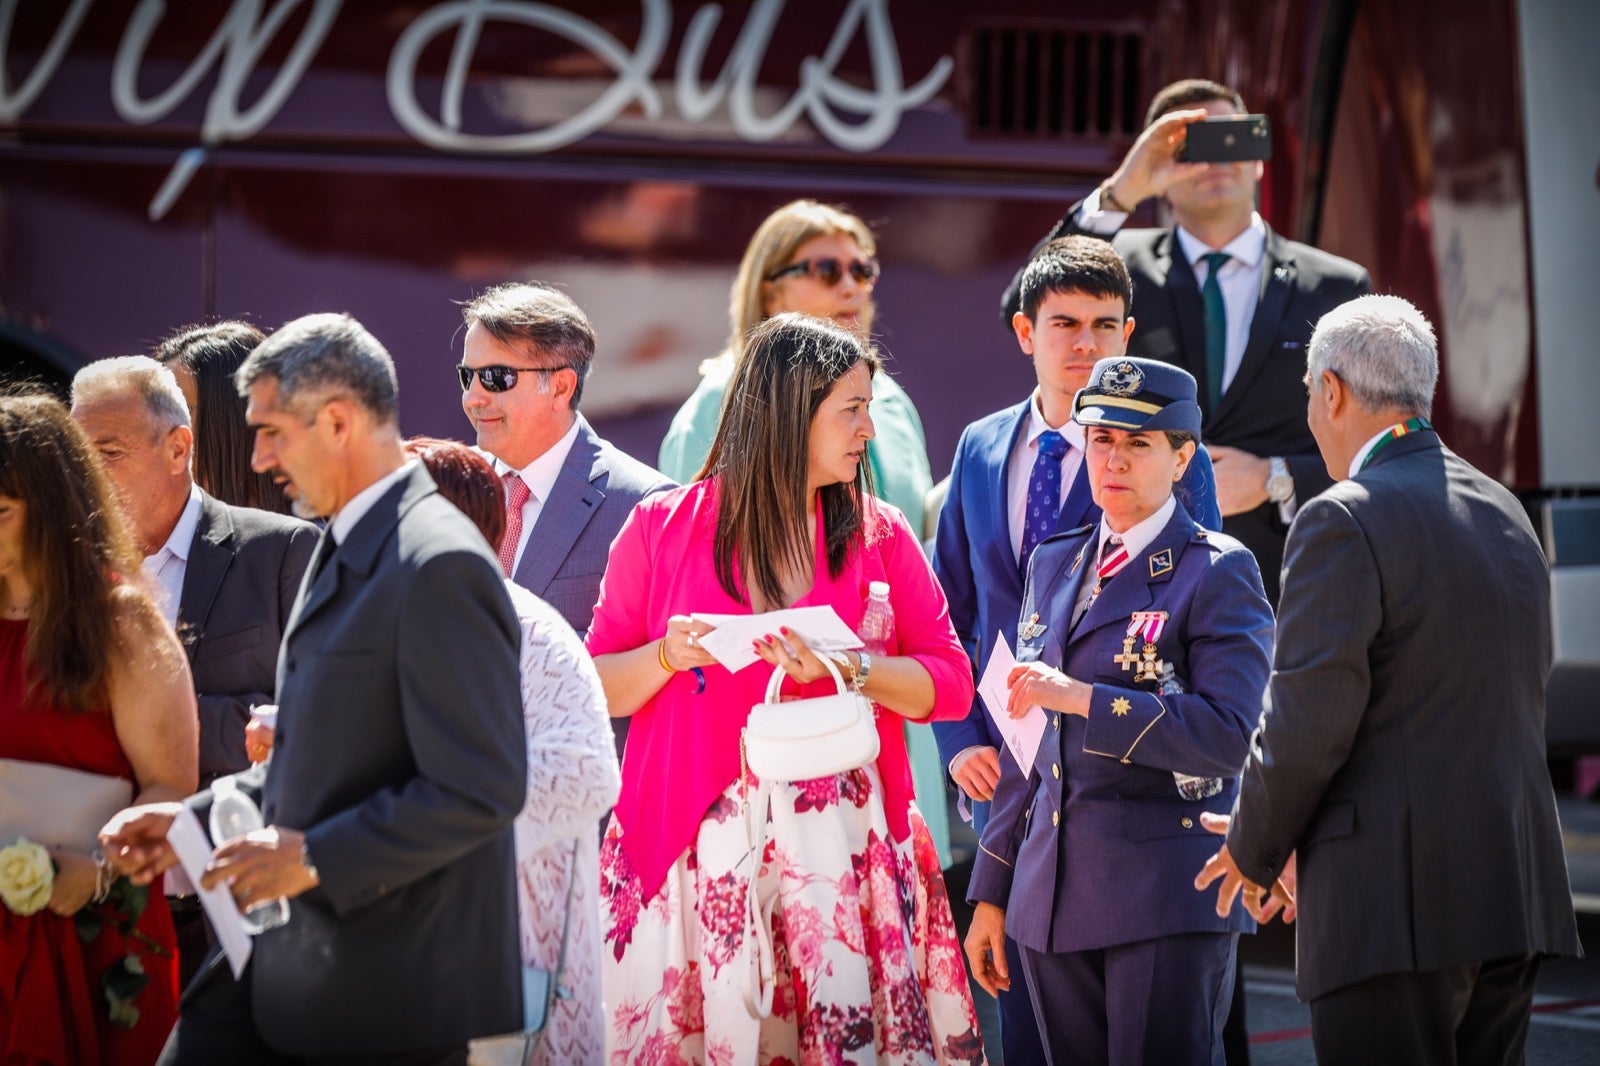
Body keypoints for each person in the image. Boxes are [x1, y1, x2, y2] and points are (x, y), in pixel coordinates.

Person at [101, 313, 528, 1064]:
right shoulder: (344, 536)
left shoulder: (439, 563)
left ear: (337, 420)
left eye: (271, 431)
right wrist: (188, 821)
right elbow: (325, 754)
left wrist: (312, 857)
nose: (258, 458)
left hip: (386, 996)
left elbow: (482, 787)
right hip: (292, 968)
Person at [1195, 295, 1581, 1065]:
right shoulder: (1504, 508)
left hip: (1390, 911)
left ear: (1331, 392)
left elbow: (1307, 718)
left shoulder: (1342, 516)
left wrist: (1254, 847)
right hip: (1512, 893)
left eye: (1309, 394)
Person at [588, 314, 984, 1063]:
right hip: (692, 855)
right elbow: (599, 687)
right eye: (853, 408)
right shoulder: (660, 527)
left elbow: (951, 686)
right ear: (789, 412)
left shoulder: (882, 532)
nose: (871, 426)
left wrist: (850, 670)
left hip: (847, 857)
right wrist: (666, 657)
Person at [931, 235, 1222, 1065]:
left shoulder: (1163, 453)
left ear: (1128, 335)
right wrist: (958, 743)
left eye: (1104, 324)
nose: (1085, 343)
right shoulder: (982, 448)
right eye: (1065, 323)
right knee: (1028, 1023)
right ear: (1026, 332)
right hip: (1006, 771)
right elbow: (947, 610)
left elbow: (1195, 604)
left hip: (1120, 776)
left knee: (1152, 1024)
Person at [965, 356, 1273, 1066]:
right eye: (1101, 440)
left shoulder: (1215, 569)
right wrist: (992, 891)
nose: (1114, 460)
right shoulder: (1054, 562)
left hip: (1163, 896)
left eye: (1138, 444)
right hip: (1050, 897)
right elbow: (1025, 740)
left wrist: (1082, 699)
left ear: (1182, 455)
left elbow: (1229, 736)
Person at [999, 78, 1372, 606]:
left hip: (1290, 584)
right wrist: (1121, 191)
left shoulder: (1334, 285)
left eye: (1233, 139)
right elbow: (1022, 304)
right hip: (1139, 595)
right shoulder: (1123, 267)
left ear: (1259, 157)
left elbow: (1371, 441)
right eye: (1192, 146)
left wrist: (1277, 477)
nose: (1217, 159)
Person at [658, 198, 951, 867]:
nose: (851, 286)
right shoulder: (720, 404)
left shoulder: (891, 405)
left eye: (862, 269)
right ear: (769, 286)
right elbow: (693, 583)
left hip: (887, 711)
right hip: (771, 735)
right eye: (825, 268)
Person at [69, 355, 316, 987]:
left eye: (110, 452)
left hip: (236, 911)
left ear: (178, 448)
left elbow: (313, 728)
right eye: (76, 455)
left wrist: (154, 725)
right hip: (100, 913)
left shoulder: (281, 553)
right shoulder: (65, 580)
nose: (86, 476)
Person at [404, 436, 620, 1065]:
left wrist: (430, 821)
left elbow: (586, 774)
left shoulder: (530, 630)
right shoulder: (376, 627)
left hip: (517, 944)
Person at [0, 393, 198, 1065]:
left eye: (0, 511)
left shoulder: (119, 623)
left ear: (50, 513)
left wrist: (100, 870)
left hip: (92, 932)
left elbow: (170, 785)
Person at [458, 282, 674, 761]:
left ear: (560, 386)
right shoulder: (444, 487)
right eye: (466, 376)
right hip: (453, 798)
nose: (473, 398)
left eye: (494, 377)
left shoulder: (643, 504)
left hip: (577, 811)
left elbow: (651, 677)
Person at [154, 321, 294, 515]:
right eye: (153, 411)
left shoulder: (308, 541)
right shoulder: (163, 540)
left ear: (236, 420)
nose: (155, 428)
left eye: (176, 409)